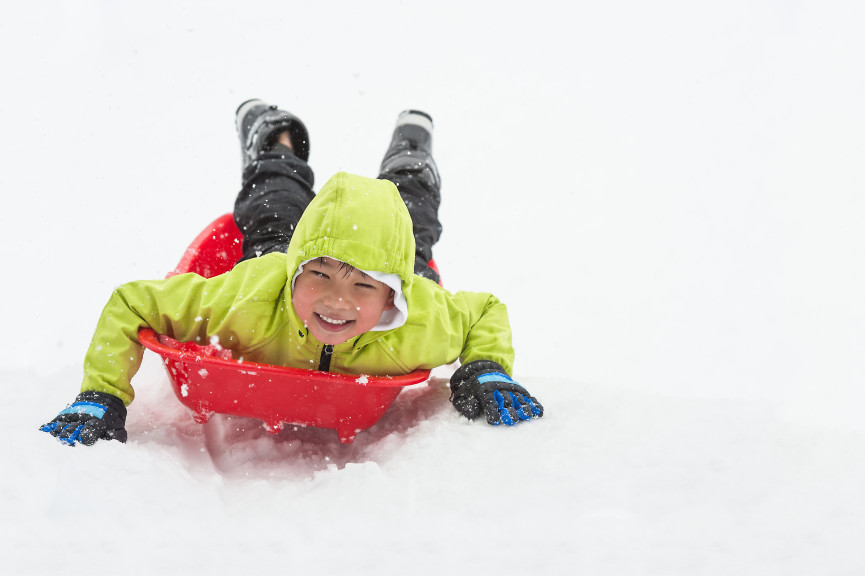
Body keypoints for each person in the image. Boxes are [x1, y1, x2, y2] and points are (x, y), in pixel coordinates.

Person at [41, 100, 544, 446]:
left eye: (363, 286)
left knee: (413, 212)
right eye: (320, 276)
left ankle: (411, 148)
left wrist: (485, 368)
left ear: (392, 297)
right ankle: (275, 139)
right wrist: (101, 394)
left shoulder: (420, 321)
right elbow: (132, 300)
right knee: (273, 210)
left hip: (397, 261)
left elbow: (485, 312)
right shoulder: (250, 296)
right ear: (298, 271)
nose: (336, 301)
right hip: (277, 260)